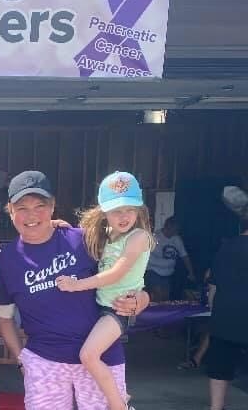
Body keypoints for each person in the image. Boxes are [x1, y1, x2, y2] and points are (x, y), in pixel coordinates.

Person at [0, 170, 149, 410]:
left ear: (53, 206)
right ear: (10, 210)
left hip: (102, 357)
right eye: (22, 207)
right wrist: (22, 360)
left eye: (40, 205)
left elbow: (128, 275)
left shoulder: (84, 240)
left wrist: (141, 299)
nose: (32, 215)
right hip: (45, 362)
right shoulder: (5, 260)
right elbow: (4, 318)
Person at [56, 171, 152, 410]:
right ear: (104, 212)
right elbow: (81, 235)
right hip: (103, 308)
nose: (124, 216)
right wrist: (58, 225)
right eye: (116, 210)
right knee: (92, 357)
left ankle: (119, 406)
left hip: (116, 309)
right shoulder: (108, 235)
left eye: (130, 209)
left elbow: (117, 273)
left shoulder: (139, 236)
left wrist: (76, 284)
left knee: (88, 355)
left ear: (139, 209)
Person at [205, 186, 248, 410]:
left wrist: (215, 314)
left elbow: (213, 286)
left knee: (220, 368)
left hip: (225, 319)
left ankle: (216, 407)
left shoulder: (226, 248)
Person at [146, 216, 196, 302]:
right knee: (157, 298)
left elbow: (185, 257)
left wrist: (191, 272)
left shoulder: (177, 239)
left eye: (177, 229)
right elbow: (145, 256)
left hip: (168, 274)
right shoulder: (154, 237)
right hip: (153, 272)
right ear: (168, 226)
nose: (176, 231)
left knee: (165, 299)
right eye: (175, 229)